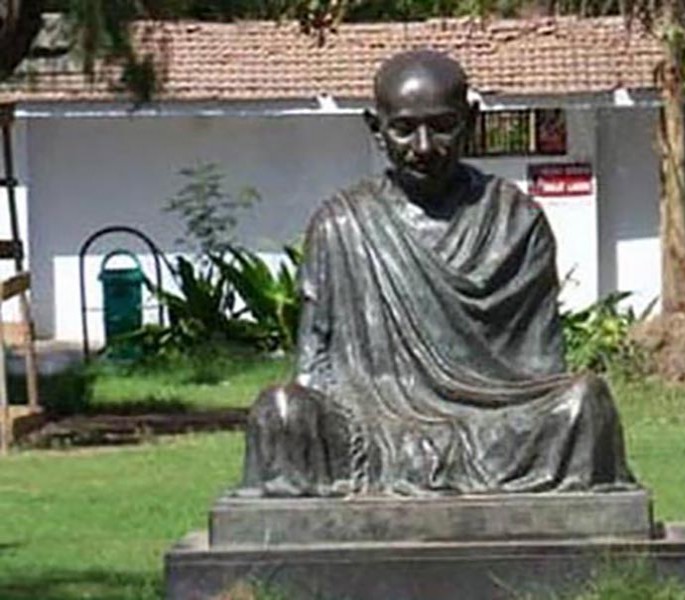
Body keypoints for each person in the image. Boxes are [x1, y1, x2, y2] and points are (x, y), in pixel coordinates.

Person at [239, 50, 635, 497]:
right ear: (376, 129)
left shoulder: (516, 220)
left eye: (443, 126)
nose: (424, 147)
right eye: (404, 129)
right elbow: (316, 371)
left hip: (494, 420)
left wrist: (477, 420)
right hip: (374, 422)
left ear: (471, 121)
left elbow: (540, 368)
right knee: (281, 411)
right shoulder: (341, 225)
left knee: (585, 402)